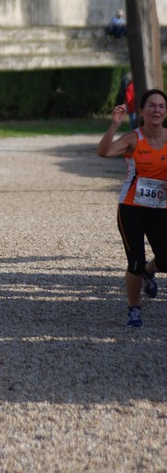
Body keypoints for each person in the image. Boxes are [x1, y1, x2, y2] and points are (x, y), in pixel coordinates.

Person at [97, 89, 167, 328]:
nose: (156, 110)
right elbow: (104, 152)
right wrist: (114, 125)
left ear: (165, 112)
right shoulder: (133, 138)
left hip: (160, 208)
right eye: (152, 106)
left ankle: (150, 271)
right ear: (143, 111)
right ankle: (134, 308)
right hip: (131, 208)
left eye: (161, 106)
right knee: (134, 261)